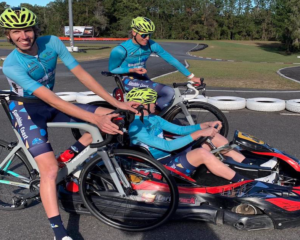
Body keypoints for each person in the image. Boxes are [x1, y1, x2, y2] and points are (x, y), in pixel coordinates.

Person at [0, 7, 138, 240]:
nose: (23, 36)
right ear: (8, 35)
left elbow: (81, 73)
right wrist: (93, 118)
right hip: (26, 110)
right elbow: (51, 98)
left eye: (27, 30)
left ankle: (68, 160)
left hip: (49, 103)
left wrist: (116, 102)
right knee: (50, 171)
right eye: (16, 32)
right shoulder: (12, 65)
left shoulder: (52, 43)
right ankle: (59, 233)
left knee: (112, 117)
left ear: (35, 30)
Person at [127, 87, 278, 183]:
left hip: (171, 155)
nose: (156, 104)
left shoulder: (154, 118)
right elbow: (168, 145)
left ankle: (253, 167)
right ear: (142, 104)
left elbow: (179, 131)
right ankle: (246, 183)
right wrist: (199, 133)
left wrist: (205, 126)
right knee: (201, 153)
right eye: (152, 101)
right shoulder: (136, 127)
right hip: (160, 166)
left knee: (214, 137)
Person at [108, 16, 201, 112]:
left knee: (160, 96)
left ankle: (151, 118)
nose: (147, 38)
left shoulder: (151, 45)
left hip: (143, 78)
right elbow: (112, 70)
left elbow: (171, 59)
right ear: (134, 32)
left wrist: (191, 76)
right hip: (127, 80)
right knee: (168, 92)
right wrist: (132, 70)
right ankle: (152, 120)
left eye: (149, 35)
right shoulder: (120, 50)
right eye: (144, 35)